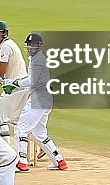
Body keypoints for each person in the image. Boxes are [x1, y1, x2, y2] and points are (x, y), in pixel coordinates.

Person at [4, 33, 67, 172]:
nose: (30, 47)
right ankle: (59, 161)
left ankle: (21, 162)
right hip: (47, 98)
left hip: (39, 99)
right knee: (39, 133)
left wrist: (14, 84)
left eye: (33, 45)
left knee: (21, 128)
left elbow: (31, 81)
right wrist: (14, 82)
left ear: (38, 46)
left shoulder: (37, 60)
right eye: (29, 45)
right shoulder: (38, 58)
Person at [0, 20, 29, 141]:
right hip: (24, 85)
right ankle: (35, 142)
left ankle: (6, 151)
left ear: (4, 33)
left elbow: (2, 70)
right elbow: (11, 70)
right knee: (18, 120)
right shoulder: (11, 43)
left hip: (15, 87)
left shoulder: (5, 47)